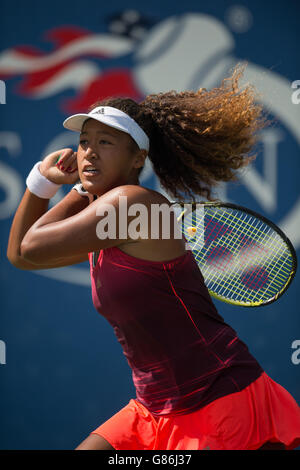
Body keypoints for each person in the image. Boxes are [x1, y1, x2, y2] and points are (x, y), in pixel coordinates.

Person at [7, 64, 300, 450]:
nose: (89, 151)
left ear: (136, 158)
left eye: (105, 142)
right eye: (84, 141)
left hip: (220, 399)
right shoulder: (109, 215)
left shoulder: (132, 205)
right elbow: (20, 257)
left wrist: (59, 186)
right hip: (153, 410)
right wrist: (57, 183)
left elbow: (31, 246)